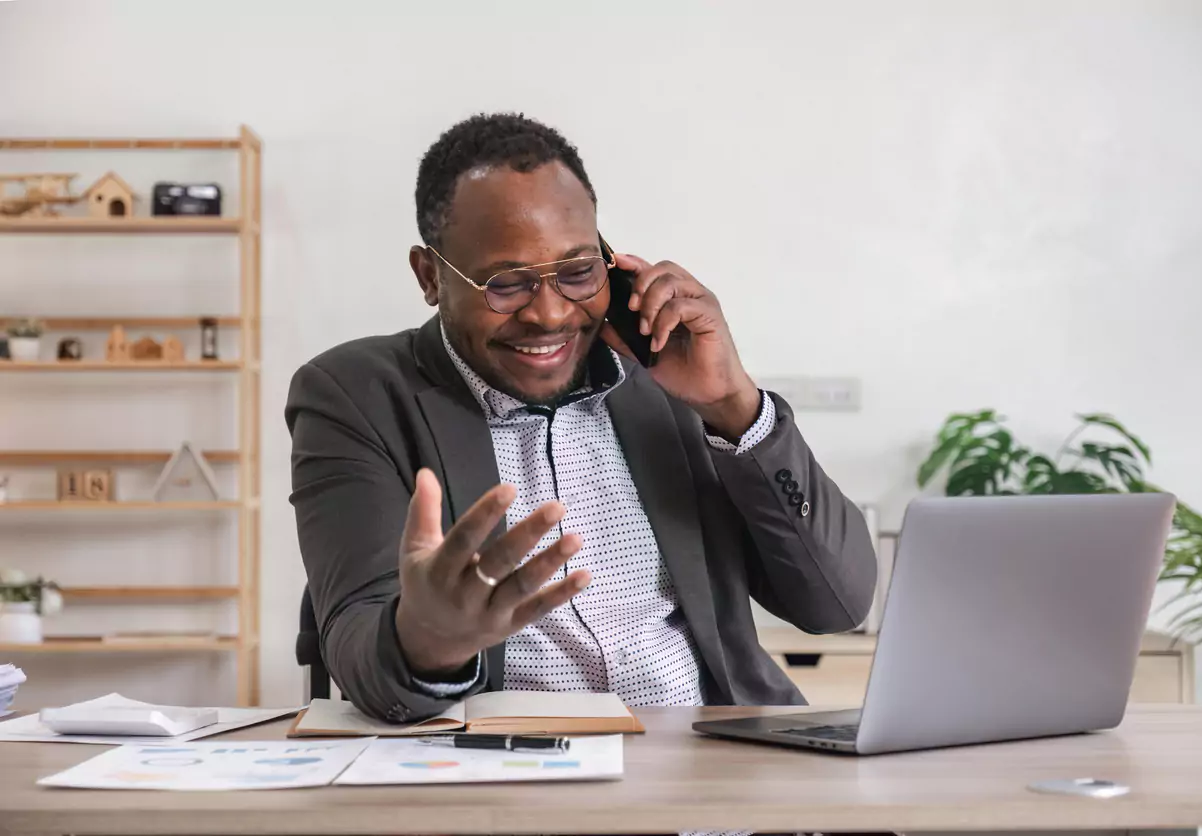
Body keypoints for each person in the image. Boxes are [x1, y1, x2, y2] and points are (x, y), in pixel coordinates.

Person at [286, 113, 877, 722]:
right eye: (506, 283)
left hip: (713, 780)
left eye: (577, 272)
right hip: (511, 790)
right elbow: (358, 646)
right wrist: (431, 640)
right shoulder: (355, 395)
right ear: (430, 275)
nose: (549, 314)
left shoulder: (665, 374)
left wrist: (731, 404)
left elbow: (838, 601)